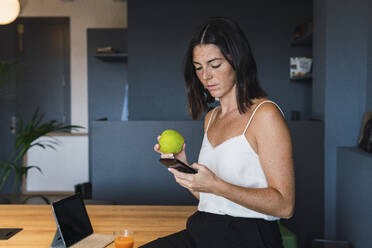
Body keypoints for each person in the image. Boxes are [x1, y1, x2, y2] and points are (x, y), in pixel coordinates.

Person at [141, 16, 295, 248]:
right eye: (199, 68)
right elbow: (213, 201)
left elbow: (285, 206)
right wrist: (186, 173)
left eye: (215, 65)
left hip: (248, 238)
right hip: (204, 230)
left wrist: (216, 185)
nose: (206, 76)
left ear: (238, 61)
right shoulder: (211, 118)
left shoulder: (265, 115)